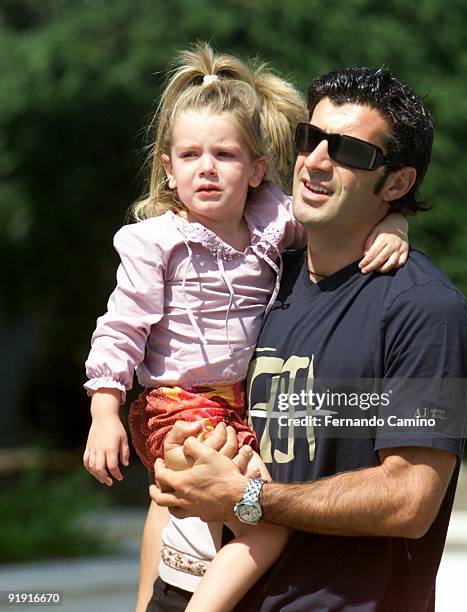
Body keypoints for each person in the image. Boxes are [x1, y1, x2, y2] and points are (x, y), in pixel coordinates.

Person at [81, 44, 410, 612]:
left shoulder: (272, 224)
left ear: (256, 169)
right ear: (168, 166)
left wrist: (397, 221)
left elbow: (339, 226)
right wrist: (104, 412)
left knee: (217, 510)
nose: (206, 168)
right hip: (176, 403)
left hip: (241, 404)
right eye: (189, 155)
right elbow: (121, 328)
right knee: (261, 514)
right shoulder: (155, 242)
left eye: (225, 155)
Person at [150, 65, 467, 611]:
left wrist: (248, 500)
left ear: (397, 183)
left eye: (349, 151)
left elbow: (409, 501)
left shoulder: (424, 308)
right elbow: (182, 485)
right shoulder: (261, 276)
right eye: (312, 139)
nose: (317, 161)